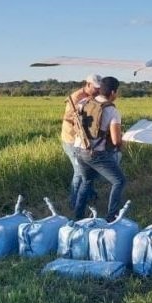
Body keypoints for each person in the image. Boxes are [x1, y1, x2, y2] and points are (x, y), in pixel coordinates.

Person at [74, 76, 126, 221]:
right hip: (96, 153)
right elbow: (116, 140)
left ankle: (78, 216)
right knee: (119, 181)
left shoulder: (84, 102)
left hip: (79, 149)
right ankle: (111, 217)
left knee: (87, 181)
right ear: (113, 92)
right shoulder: (112, 111)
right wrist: (123, 142)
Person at [61, 74, 100, 209]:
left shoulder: (94, 96)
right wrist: (82, 120)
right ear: (88, 84)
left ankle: (89, 194)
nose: (98, 91)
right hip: (72, 140)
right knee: (79, 171)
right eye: (95, 88)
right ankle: (74, 201)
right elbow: (68, 118)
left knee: (88, 169)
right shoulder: (76, 98)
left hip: (84, 140)